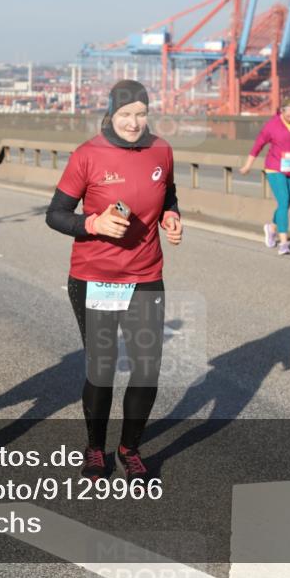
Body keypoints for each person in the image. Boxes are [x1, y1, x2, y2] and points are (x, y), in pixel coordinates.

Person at [46, 79, 182, 482]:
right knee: (102, 368)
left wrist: (171, 216)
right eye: (126, 114)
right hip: (95, 278)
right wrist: (94, 223)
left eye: (141, 114)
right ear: (111, 113)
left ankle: (129, 449)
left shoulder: (161, 150)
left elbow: (167, 193)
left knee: (146, 368)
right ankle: (94, 449)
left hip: (145, 275)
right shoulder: (88, 155)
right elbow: (55, 214)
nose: (134, 122)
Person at [239, 98, 290, 255]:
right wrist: (248, 165)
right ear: (281, 111)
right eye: (288, 111)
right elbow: (258, 145)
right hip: (275, 167)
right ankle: (283, 243)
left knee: (286, 203)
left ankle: (271, 228)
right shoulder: (272, 125)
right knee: (283, 202)